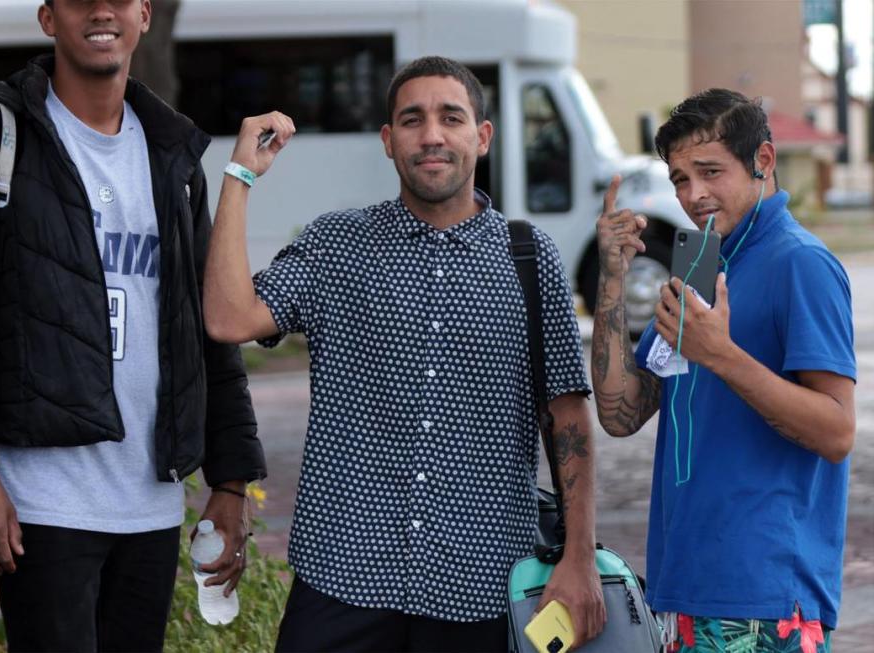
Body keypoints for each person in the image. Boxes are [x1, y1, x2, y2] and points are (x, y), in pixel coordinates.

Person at [202, 55, 605, 652]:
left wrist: (579, 558)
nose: (433, 135)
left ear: (482, 137)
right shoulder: (337, 243)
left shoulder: (530, 258)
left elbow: (568, 416)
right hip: (343, 576)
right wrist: (240, 173)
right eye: (412, 120)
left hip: (482, 582)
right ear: (390, 142)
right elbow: (230, 316)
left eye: (452, 117)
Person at [0, 1, 265, 650]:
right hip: (41, 502)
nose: (99, 10)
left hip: (150, 505)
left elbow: (206, 324)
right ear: (49, 18)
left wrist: (229, 478)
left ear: (143, 16)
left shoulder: (174, 155)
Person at [591, 89, 856, 652]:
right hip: (684, 585)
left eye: (710, 172)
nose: (694, 195)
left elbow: (836, 432)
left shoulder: (801, 263)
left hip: (763, 599)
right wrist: (612, 277)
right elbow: (621, 414)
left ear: (763, 160)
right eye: (680, 179)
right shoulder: (699, 257)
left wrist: (722, 356)